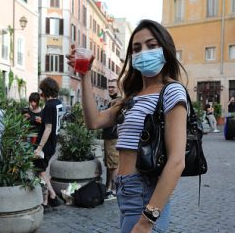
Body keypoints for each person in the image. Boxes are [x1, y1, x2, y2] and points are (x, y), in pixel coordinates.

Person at [67, 19, 187, 233]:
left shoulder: (171, 91)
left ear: (165, 49)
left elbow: (177, 161)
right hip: (127, 191)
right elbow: (93, 121)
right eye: (136, 48)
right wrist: (84, 75)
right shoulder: (131, 97)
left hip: (145, 192)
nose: (143, 52)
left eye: (152, 45)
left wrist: (147, 220)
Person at [35, 77, 64, 209]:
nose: (41, 95)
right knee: (41, 170)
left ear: (46, 91)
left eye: (42, 92)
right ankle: (49, 199)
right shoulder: (59, 104)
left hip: (46, 145)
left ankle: (50, 197)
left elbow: (48, 128)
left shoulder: (49, 106)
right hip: (53, 142)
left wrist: (39, 147)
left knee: (39, 170)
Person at [101, 79, 120, 199]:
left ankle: (113, 189)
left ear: (118, 88)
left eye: (113, 87)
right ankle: (109, 186)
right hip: (110, 137)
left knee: (113, 164)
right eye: (109, 87)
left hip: (113, 137)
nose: (110, 89)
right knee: (110, 164)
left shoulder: (117, 102)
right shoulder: (113, 101)